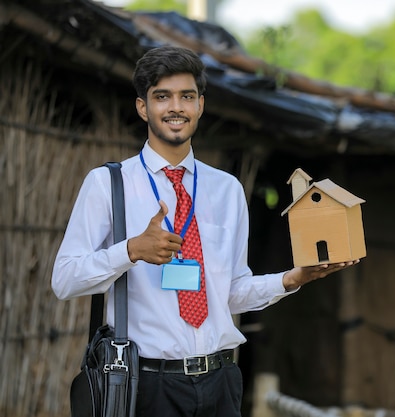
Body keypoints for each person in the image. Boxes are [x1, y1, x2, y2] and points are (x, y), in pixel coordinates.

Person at [51, 45, 358, 417]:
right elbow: (64, 280)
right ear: (143, 108)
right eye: (162, 97)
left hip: (221, 382)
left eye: (187, 96)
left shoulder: (227, 189)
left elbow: (230, 294)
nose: (175, 107)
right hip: (147, 386)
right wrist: (131, 250)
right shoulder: (108, 184)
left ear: (200, 105)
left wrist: (293, 279)